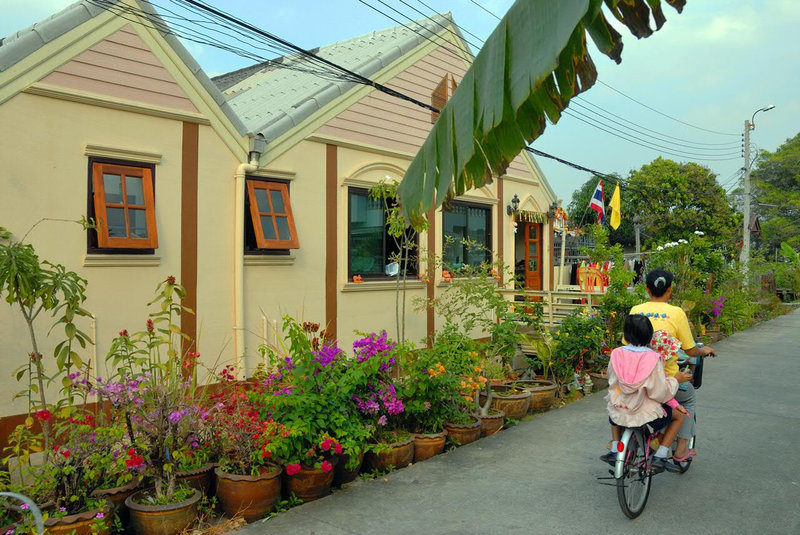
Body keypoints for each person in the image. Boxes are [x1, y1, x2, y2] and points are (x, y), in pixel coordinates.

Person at [629, 269, 716, 461]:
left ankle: (654, 437)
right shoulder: (676, 313)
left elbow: (627, 343)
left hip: (635, 380)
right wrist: (705, 350)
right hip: (665, 381)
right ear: (670, 289)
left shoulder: (635, 310)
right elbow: (691, 350)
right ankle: (681, 449)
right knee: (687, 398)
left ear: (647, 289)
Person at [602, 314, 688, 472]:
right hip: (645, 414)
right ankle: (661, 455)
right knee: (678, 417)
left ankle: (615, 448)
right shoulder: (654, 358)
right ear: (649, 336)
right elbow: (660, 392)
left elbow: (611, 380)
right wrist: (676, 380)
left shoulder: (616, 354)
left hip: (620, 409)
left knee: (613, 403)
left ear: (625, 335)